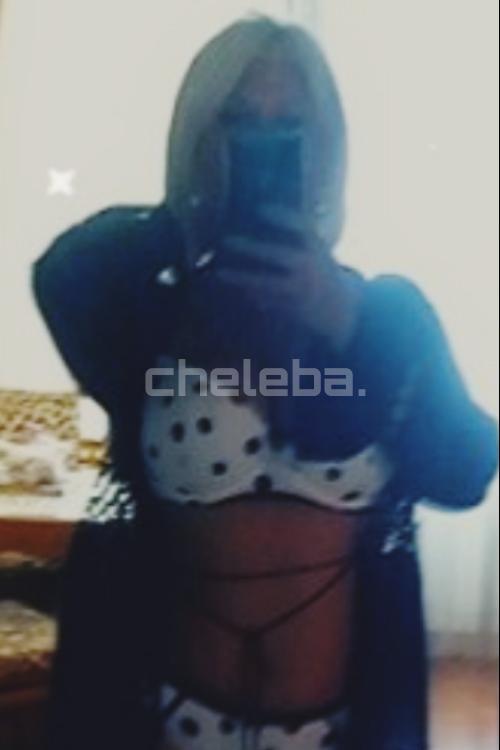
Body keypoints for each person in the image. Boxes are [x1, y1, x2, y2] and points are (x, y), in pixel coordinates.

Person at [33, 16, 497, 750]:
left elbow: (466, 472)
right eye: (237, 121)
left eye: (290, 125)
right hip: (164, 713)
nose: (263, 141)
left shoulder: (385, 313)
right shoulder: (152, 308)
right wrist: (191, 216)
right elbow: (59, 272)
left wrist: (345, 322)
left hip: (340, 726)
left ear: (327, 145)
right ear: (197, 136)